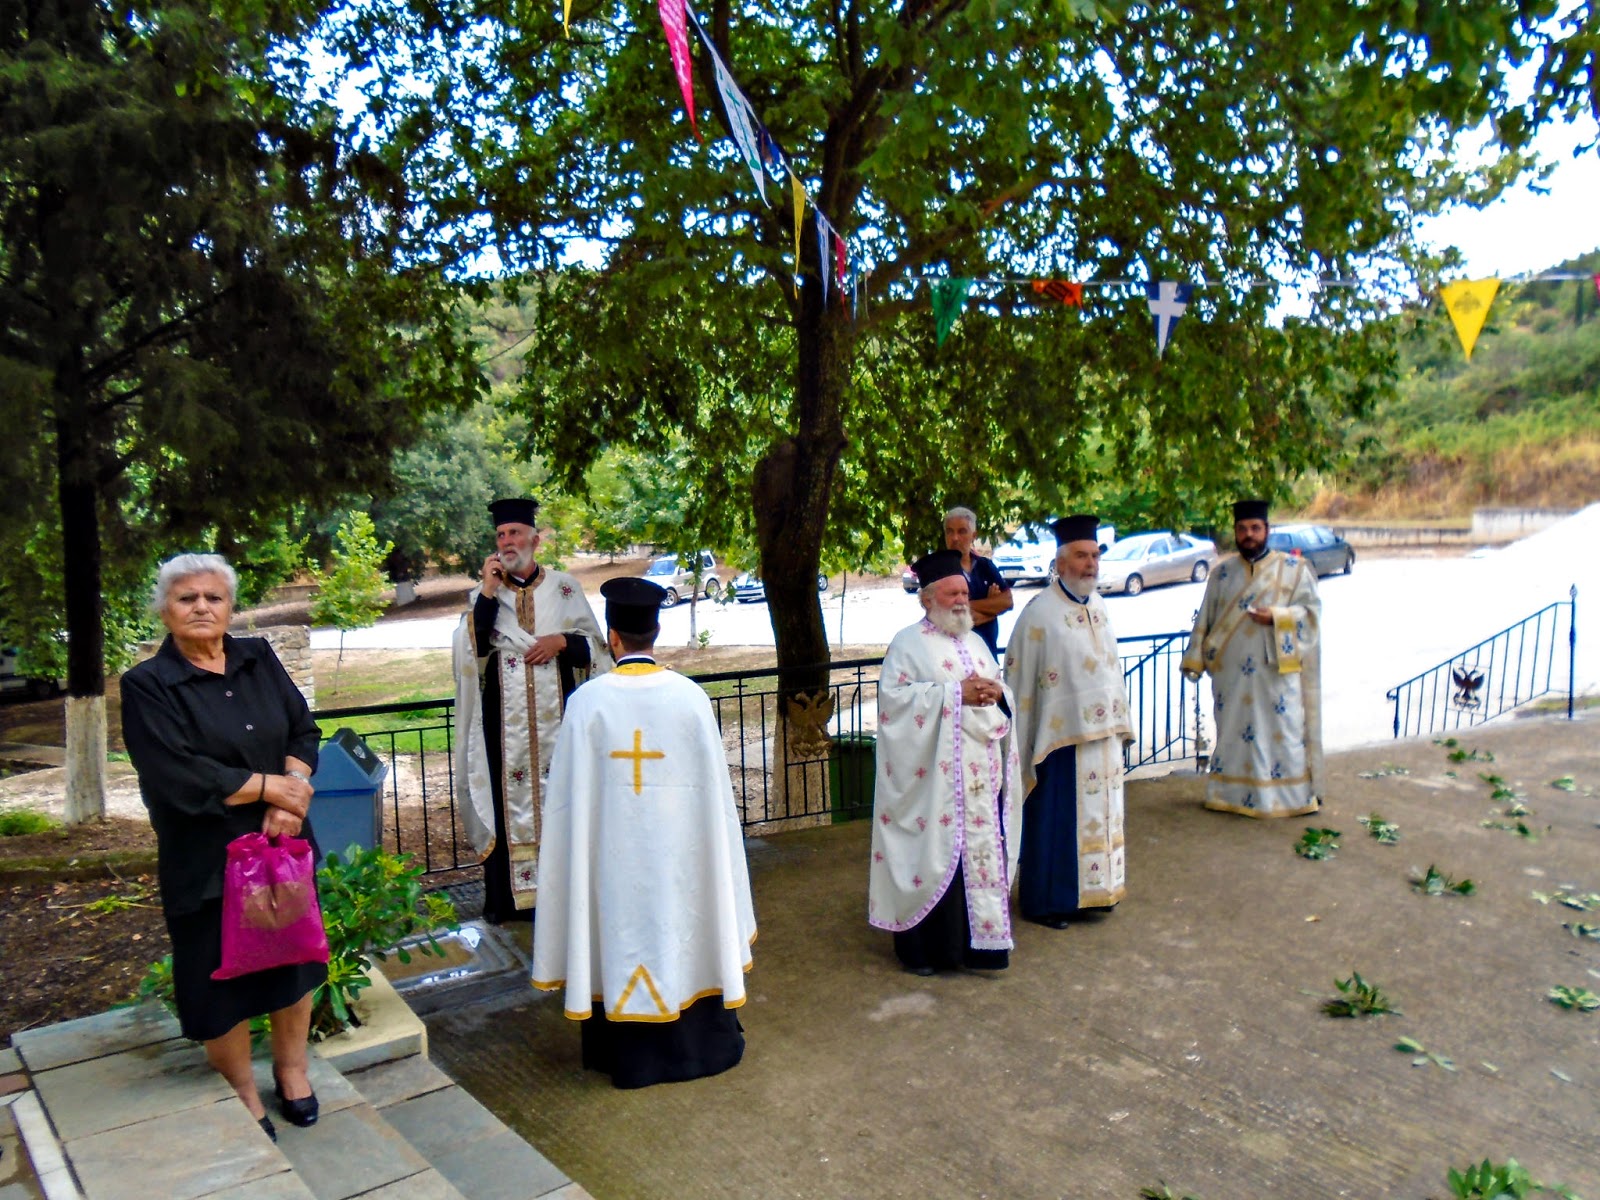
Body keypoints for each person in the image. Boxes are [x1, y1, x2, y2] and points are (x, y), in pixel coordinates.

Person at [121, 554, 324, 1142]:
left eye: (213, 597)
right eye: (187, 598)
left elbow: (303, 730)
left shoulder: (258, 657)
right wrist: (269, 788)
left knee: (293, 959)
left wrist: (290, 798)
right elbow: (176, 774)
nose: (201, 607)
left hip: (281, 844)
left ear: (231, 606)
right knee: (217, 977)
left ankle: (292, 1071)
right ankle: (241, 1088)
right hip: (206, 855)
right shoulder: (148, 685)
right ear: (165, 610)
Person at [531, 577, 757, 1088]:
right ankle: (696, 1047)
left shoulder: (587, 702)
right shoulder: (690, 698)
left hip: (611, 860)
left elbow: (566, 802)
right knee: (682, 921)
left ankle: (626, 1056)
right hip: (680, 857)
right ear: (655, 632)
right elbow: (714, 802)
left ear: (612, 637)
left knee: (618, 926)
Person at [452, 497, 612, 924]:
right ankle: (509, 902)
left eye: (515, 533)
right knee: (505, 802)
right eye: (500, 535)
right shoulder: (484, 595)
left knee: (562, 798)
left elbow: (597, 649)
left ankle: (563, 897)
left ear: (535, 541)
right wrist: (488, 591)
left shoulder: (564, 588)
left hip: (558, 720)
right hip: (502, 724)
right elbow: (470, 649)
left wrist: (561, 642)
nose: (507, 542)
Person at [869, 549, 1021, 975]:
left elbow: (998, 687)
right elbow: (893, 704)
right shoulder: (908, 643)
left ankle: (979, 947)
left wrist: (998, 693)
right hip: (934, 784)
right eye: (952, 593)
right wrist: (957, 695)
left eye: (964, 593)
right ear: (927, 599)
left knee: (979, 857)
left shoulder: (975, 641)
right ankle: (926, 951)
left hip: (980, 774)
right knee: (935, 858)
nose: (961, 600)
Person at [1003, 515, 1133, 928]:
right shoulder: (1039, 614)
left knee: (1102, 813)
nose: (1090, 564)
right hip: (1058, 741)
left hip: (1103, 740)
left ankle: (1096, 894)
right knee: (1058, 819)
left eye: (1094, 555)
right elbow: (1020, 679)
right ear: (1060, 563)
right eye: (1081, 555)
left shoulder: (1099, 606)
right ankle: (1047, 902)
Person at [1182, 500, 1324, 817]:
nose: (1249, 535)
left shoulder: (1294, 569)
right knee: (1233, 735)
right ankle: (1229, 796)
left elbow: (1311, 614)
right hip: (1231, 678)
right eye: (1242, 529)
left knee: (1284, 731)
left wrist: (1277, 616)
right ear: (1235, 532)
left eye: (1255, 528)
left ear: (1267, 530)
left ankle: (1289, 797)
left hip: (1276, 674)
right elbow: (1205, 618)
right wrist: (1195, 658)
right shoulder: (1220, 575)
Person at [942, 506, 1012, 661]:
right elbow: (950, 616)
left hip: (988, 653)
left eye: (962, 531)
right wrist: (991, 609)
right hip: (957, 658)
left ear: (974, 535)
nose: (955, 538)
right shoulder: (940, 571)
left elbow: (1007, 601)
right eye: (950, 532)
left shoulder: (985, 566)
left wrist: (967, 607)